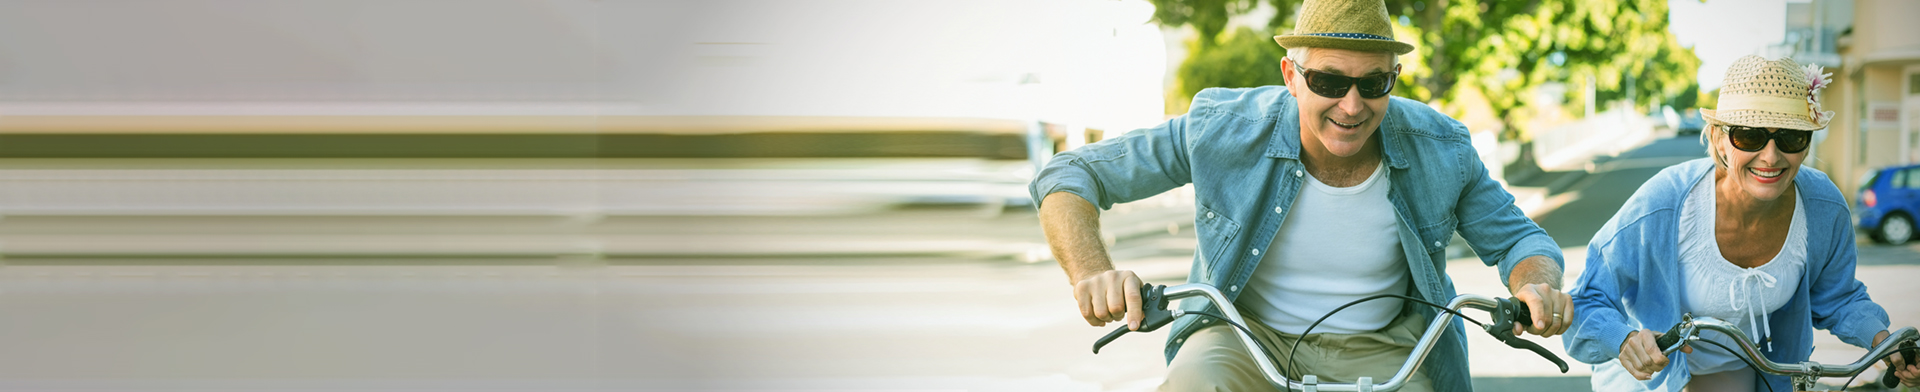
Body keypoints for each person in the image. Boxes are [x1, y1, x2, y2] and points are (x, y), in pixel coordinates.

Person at [1027, 0, 1571, 390]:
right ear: (1292, 75)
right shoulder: (1222, 128)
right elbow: (1070, 174)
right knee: (1193, 382)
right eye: (1330, 83)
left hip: (1389, 348)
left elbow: (1521, 241)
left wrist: (1536, 287)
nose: (1352, 106)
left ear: (1394, 79)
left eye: (1373, 84)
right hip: (1245, 338)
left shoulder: (1441, 147)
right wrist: (1092, 272)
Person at [1562, 55, 1919, 391]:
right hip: (1648, 377)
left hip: (1737, 374)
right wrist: (1623, 340)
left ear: (1807, 143)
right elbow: (1587, 300)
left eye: (1791, 137)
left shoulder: (1823, 206)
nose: (1771, 156)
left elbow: (1838, 296)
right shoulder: (1663, 204)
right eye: (1749, 135)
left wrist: (1883, 340)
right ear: (1719, 138)